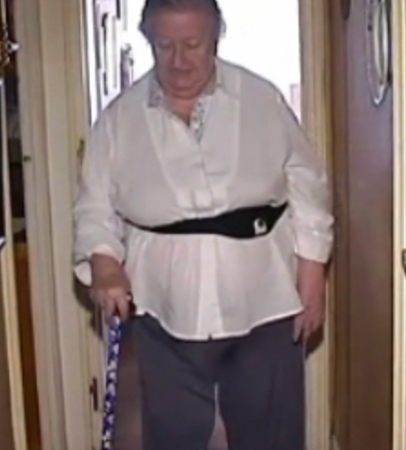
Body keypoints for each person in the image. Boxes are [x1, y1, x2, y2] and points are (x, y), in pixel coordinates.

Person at [73, 0, 333, 449]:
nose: (178, 61)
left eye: (192, 44)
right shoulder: (118, 120)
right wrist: (104, 262)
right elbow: (94, 207)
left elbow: (308, 185)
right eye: (165, 45)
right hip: (162, 310)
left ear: (216, 38)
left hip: (265, 302)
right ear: (148, 40)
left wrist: (312, 275)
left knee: (272, 437)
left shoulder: (262, 100)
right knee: (173, 437)